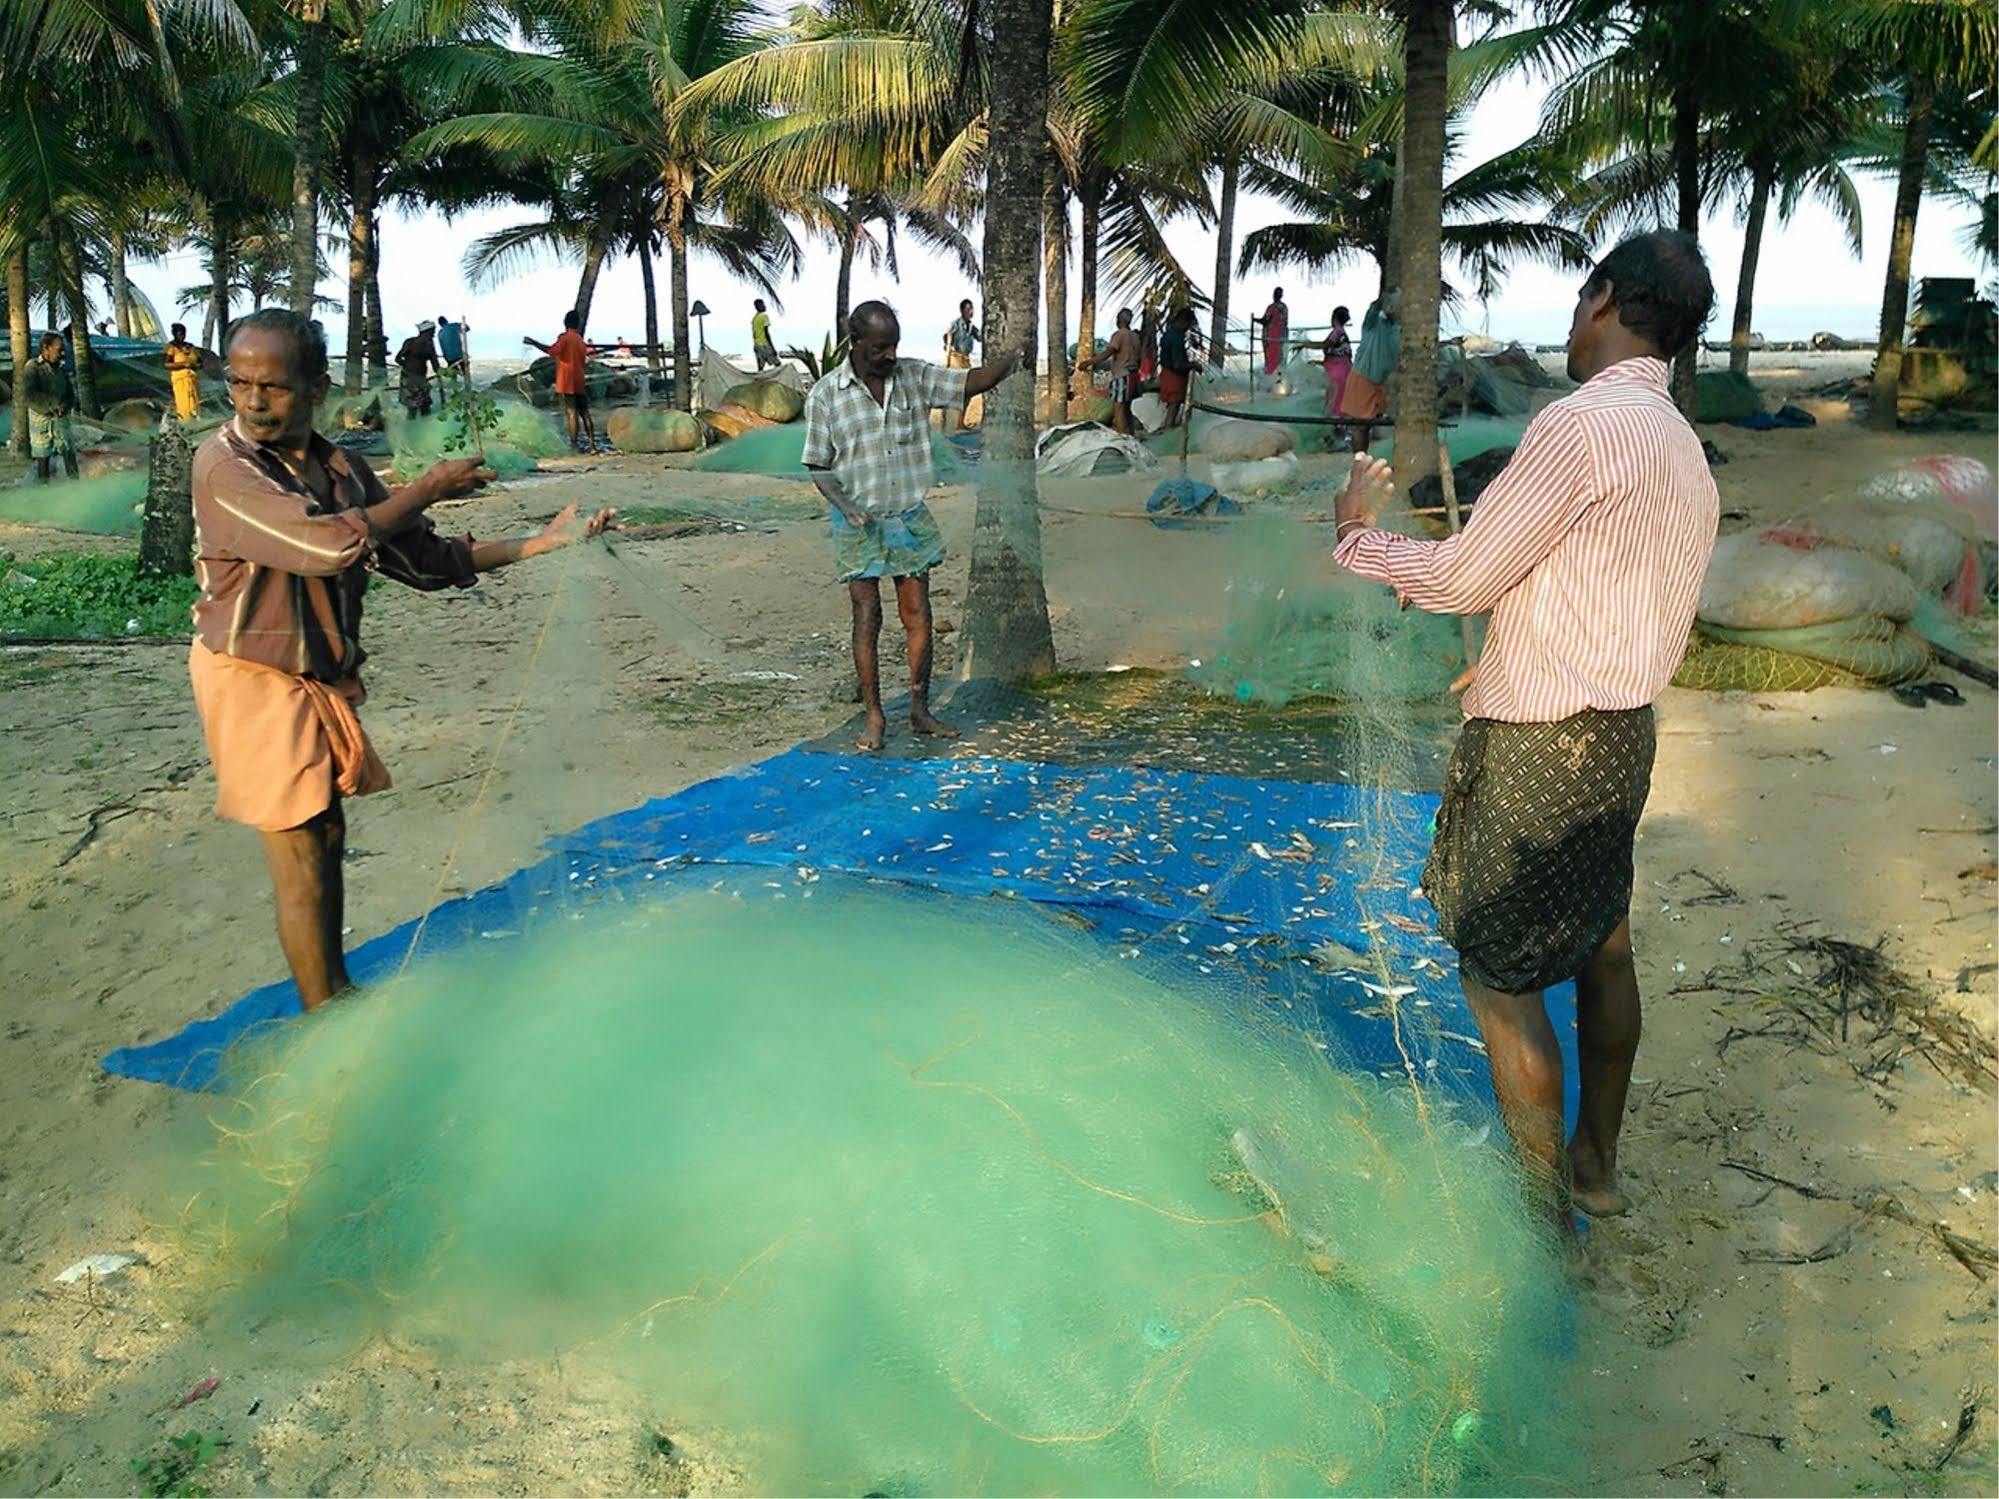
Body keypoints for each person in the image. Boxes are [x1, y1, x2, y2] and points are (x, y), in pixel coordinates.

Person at [1328, 230, 1720, 1246]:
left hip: (1541, 749)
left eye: (1576, 299)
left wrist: (1355, 536)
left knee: (1499, 984)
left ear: (1602, 302)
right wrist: (1510, 652)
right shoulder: (1679, 442)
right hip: (1623, 736)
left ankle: (1542, 1229)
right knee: (1605, 948)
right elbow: (1610, 587)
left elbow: (1461, 576)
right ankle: (1596, 1170)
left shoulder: (1579, 425)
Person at [189, 308, 615, 1012]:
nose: (254, 401)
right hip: (253, 677)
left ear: (317, 386)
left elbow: (420, 560)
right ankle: (325, 1010)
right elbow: (324, 547)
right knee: (300, 854)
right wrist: (425, 488)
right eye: (239, 383)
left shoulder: (341, 469)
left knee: (325, 832)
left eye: (274, 387)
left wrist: (537, 544)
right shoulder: (224, 467)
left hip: (315, 676)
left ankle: (334, 990)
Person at [802, 300, 1022, 752]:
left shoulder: (915, 378)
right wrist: (845, 505)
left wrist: (1010, 361)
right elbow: (818, 465)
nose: (889, 356)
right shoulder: (826, 395)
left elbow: (968, 382)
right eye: (880, 347)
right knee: (867, 618)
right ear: (855, 343)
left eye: (895, 346)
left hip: (907, 516)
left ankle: (920, 710)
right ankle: (875, 717)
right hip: (857, 522)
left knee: (917, 614)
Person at [525, 311, 602, 453]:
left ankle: (574, 445)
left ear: (565, 323)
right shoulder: (580, 340)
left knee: (571, 412)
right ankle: (592, 446)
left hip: (566, 381)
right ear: (577, 324)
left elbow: (552, 351)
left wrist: (534, 343)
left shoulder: (565, 338)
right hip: (579, 379)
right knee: (584, 412)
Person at [1342, 286, 1400, 452]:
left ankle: (1363, 457)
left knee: (1368, 425)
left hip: (1379, 382)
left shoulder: (1396, 328)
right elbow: (1374, 307)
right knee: (1361, 425)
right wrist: (1385, 297)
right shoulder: (1373, 323)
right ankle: (1358, 459)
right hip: (1363, 377)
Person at [22, 333, 79, 483]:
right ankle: (44, 490)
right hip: (41, 420)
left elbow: (70, 394)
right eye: (59, 350)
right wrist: (53, 404)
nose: (62, 353)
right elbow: (30, 395)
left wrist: (66, 405)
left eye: (63, 350)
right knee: (43, 457)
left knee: (69, 452)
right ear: (45, 349)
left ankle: (76, 486)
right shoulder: (32, 367)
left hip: (61, 418)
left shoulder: (61, 369)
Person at [1079, 308, 1141, 434]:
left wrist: (1090, 362)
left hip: (1121, 375)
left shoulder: (1119, 335)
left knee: (1118, 407)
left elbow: (1109, 352)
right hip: (1133, 375)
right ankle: (1130, 434)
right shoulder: (1135, 337)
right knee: (1127, 408)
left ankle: (1122, 436)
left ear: (1119, 320)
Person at [1300, 306, 1353, 449]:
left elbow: (1326, 345)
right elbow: (1337, 355)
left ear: (1334, 317)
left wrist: (1305, 345)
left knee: (1335, 407)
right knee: (1337, 406)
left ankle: (1337, 441)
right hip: (1341, 372)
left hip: (1338, 375)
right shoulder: (1341, 334)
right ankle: (1337, 440)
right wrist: (1317, 362)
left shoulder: (1337, 332)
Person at [1158, 307, 1202, 429]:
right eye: (1188, 325)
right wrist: (1193, 365)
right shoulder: (1176, 338)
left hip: (1167, 374)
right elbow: (1178, 364)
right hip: (1173, 377)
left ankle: (1168, 430)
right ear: (1184, 322)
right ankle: (1168, 434)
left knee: (1173, 406)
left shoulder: (1169, 333)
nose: (1188, 328)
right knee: (1174, 407)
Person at [942, 299, 982, 432]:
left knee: (968, 391)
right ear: (962, 310)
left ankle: (960, 422)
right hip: (956, 358)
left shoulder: (971, 327)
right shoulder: (956, 324)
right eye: (968, 309)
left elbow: (981, 337)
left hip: (966, 359)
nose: (971, 312)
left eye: (972, 309)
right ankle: (949, 424)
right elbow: (947, 337)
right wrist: (947, 358)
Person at [395, 320, 440, 417]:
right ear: (426, 332)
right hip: (409, 378)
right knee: (414, 407)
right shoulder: (411, 343)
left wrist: (441, 373)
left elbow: (435, 364)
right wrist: (408, 368)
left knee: (424, 406)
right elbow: (398, 358)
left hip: (418, 378)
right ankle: (413, 428)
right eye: (432, 331)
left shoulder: (427, 345)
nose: (434, 334)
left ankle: (422, 428)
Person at [165, 323, 203, 422]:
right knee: (184, 403)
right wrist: (184, 365)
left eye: (183, 334)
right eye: (180, 334)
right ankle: (185, 422)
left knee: (194, 402)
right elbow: (167, 364)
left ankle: (196, 421)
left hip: (192, 379)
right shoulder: (171, 347)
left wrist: (195, 366)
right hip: (180, 380)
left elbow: (200, 362)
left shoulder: (190, 347)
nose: (182, 336)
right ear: (174, 334)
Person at [1261, 287, 1289, 377]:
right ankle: (1279, 379)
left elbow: (1265, 320)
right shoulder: (1284, 307)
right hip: (1281, 336)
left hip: (1271, 337)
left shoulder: (1272, 307)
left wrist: (1254, 320)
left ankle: (1269, 379)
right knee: (1279, 358)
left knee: (1270, 359)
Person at [435, 314, 468, 383]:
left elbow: (442, 347)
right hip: (459, 355)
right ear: (446, 320)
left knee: (453, 376)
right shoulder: (453, 326)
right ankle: (467, 385)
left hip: (449, 358)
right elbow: (467, 328)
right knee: (466, 372)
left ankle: (455, 390)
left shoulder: (440, 333)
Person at [751, 299, 779, 370]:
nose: (764, 306)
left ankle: (760, 380)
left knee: (760, 367)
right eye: (763, 305)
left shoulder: (755, 318)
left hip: (757, 344)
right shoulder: (764, 316)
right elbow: (766, 333)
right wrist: (772, 348)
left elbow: (754, 333)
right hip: (764, 344)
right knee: (777, 364)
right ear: (758, 306)